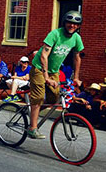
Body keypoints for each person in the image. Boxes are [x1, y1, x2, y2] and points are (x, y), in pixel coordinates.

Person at [28, 11, 84, 139]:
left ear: (79, 26)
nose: (72, 26)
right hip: (39, 69)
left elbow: (77, 57)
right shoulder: (55, 34)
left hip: (54, 71)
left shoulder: (76, 38)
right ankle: (32, 128)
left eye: (75, 24)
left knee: (54, 98)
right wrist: (46, 77)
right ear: (65, 22)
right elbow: (44, 55)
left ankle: (32, 112)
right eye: (70, 23)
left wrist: (76, 77)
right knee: (39, 97)